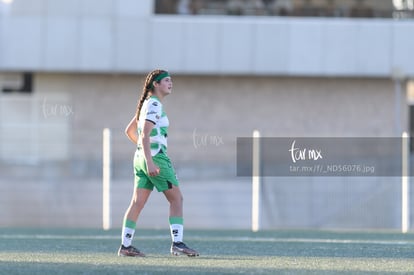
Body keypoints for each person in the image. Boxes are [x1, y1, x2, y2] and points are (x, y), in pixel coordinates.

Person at [118, 69, 199, 257]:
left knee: (137, 203)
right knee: (176, 199)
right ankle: (177, 244)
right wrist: (150, 160)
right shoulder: (154, 105)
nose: (171, 83)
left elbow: (130, 131)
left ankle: (125, 246)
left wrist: (143, 154)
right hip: (155, 158)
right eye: (167, 80)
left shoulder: (147, 104)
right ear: (156, 84)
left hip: (140, 157)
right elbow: (144, 134)